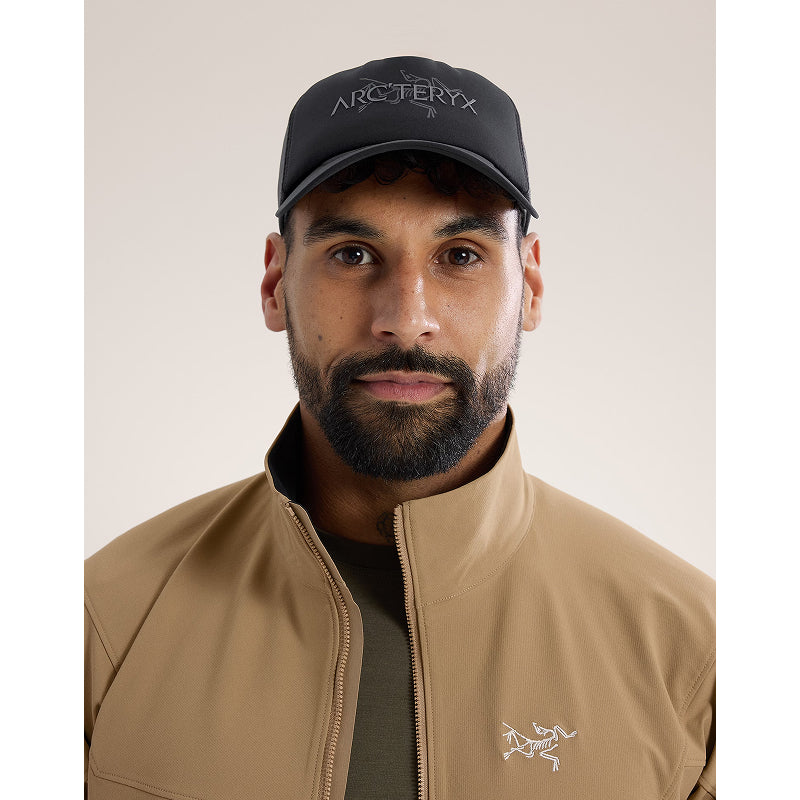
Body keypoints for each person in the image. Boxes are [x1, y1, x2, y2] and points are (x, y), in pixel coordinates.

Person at [84, 56, 715, 800]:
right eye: (353, 254)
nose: (406, 319)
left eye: (460, 256)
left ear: (530, 286)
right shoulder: (102, 628)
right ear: (276, 282)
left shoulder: (697, 660)